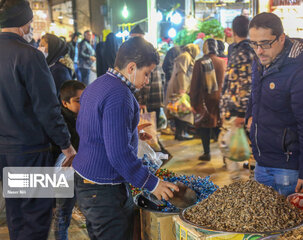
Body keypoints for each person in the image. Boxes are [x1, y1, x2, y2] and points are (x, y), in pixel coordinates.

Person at [72, 37, 179, 240]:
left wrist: (131, 133)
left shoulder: (97, 84)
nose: (147, 81)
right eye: (146, 74)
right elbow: (120, 156)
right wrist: (152, 183)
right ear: (131, 67)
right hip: (104, 189)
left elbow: (87, 127)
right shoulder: (120, 95)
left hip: (86, 183)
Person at [0, 0, 76, 239]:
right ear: (24, 23)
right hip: (29, 151)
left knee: (17, 216)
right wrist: (67, 145)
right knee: (35, 218)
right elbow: (47, 108)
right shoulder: (30, 55)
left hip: (4, 151)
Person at [247, 13, 303, 196]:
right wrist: (249, 116)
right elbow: (254, 96)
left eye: (264, 43)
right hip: (261, 163)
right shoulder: (260, 64)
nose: (259, 50)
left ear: (281, 38)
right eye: (254, 44)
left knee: (289, 222)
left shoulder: (301, 73)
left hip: (287, 169)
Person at [219, 15, 254, 175]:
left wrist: (241, 114)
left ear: (233, 31)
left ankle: (241, 189)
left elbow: (245, 85)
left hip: (238, 112)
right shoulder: (243, 49)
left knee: (233, 152)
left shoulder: (243, 52)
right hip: (239, 110)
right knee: (237, 150)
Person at [54, 80, 86, 240]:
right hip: (64, 174)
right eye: (79, 101)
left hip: (79, 172)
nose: (84, 104)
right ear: (65, 103)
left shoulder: (83, 116)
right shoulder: (59, 122)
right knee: (63, 213)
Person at [190, 39, 226, 161]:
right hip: (219, 99)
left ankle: (207, 153)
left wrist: (193, 103)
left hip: (204, 100)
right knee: (219, 127)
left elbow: (195, 85)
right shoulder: (222, 62)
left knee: (205, 127)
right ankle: (226, 156)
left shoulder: (200, 63)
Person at [165, 44, 200, 141]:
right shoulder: (186, 56)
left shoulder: (186, 56)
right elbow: (181, 72)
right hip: (179, 88)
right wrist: (182, 88)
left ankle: (180, 133)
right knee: (181, 111)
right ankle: (181, 133)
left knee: (179, 111)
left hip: (179, 87)